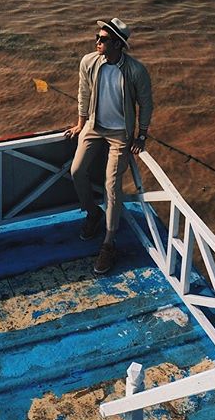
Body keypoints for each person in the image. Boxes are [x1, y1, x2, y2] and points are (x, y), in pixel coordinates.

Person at [65, 17, 153, 275]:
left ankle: (108, 243)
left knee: (111, 185)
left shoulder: (136, 71)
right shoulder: (89, 62)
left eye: (102, 39)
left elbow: (146, 104)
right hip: (94, 126)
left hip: (120, 134)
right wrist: (80, 123)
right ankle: (93, 214)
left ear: (117, 44)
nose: (97, 42)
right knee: (76, 171)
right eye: (97, 37)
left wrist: (142, 135)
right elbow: (83, 92)